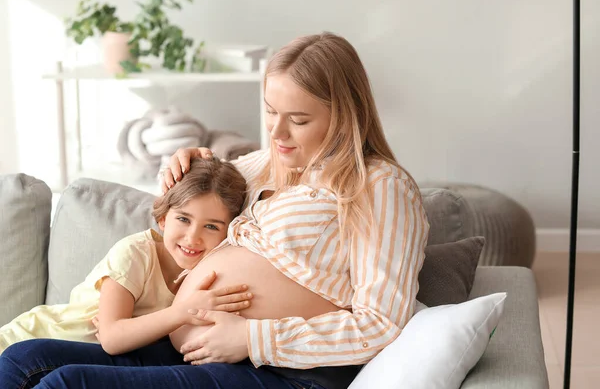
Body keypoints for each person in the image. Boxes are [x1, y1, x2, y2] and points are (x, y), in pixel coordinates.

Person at [0, 32, 429, 389]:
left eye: (297, 119)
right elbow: (201, 191)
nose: (276, 132)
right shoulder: (268, 164)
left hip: (285, 374)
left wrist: (253, 337)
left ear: (345, 116)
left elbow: (380, 323)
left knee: (66, 383)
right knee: (23, 358)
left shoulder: (381, 187)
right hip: (197, 354)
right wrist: (184, 161)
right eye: (270, 112)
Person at [0, 157, 249, 356]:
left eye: (212, 226)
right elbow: (111, 338)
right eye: (183, 219)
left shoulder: (207, 273)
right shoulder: (135, 254)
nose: (193, 237)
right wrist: (184, 311)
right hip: (30, 341)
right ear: (163, 218)